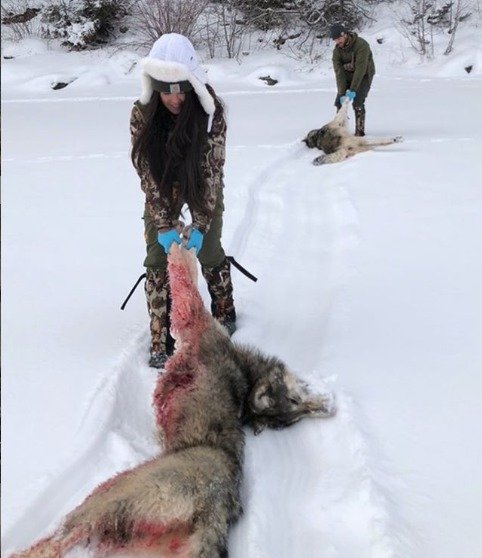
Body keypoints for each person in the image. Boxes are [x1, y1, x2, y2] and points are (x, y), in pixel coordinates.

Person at [130, 33, 236, 369]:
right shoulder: (141, 115)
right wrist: (163, 223)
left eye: (181, 89)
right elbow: (146, 174)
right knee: (158, 256)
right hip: (162, 185)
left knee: (208, 249)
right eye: (166, 91)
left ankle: (224, 310)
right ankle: (161, 335)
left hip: (199, 181)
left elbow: (211, 174)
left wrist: (201, 224)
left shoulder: (210, 112)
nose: (175, 99)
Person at [329, 23, 375, 137]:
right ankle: (339, 132)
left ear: (345, 35)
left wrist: (353, 90)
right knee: (339, 102)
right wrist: (342, 92)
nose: (337, 42)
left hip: (364, 75)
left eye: (339, 39)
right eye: (335, 40)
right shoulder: (337, 52)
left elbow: (361, 68)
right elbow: (339, 73)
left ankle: (359, 131)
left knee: (358, 102)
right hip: (347, 75)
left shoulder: (361, 45)